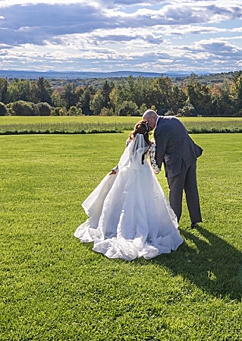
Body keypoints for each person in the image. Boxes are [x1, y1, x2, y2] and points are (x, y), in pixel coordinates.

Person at [74, 121, 183, 260]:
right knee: (145, 201)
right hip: (144, 173)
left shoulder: (129, 142)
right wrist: (155, 170)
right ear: (147, 133)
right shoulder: (150, 145)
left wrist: (116, 169)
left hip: (129, 172)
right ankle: (146, 228)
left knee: (125, 200)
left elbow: (124, 160)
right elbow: (154, 162)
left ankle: (123, 226)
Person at [142, 109, 203, 228]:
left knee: (175, 193)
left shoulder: (160, 130)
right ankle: (195, 220)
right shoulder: (174, 119)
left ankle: (174, 222)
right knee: (192, 190)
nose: (147, 126)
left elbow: (160, 151)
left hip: (177, 164)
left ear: (153, 118)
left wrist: (156, 168)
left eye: (147, 122)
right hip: (190, 157)